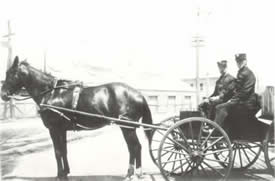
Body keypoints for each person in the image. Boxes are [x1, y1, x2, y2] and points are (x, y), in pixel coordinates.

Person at [214, 53, 260, 127]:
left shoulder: (248, 74)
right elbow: (234, 88)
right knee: (219, 105)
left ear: (245, 61)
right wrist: (225, 97)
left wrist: (232, 100)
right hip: (241, 101)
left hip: (247, 103)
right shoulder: (242, 72)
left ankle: (215, 130)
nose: (239, 64)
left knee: (220, 107)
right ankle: (220, 128)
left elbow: (244, 92)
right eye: (237, 62)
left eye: (241, 61)